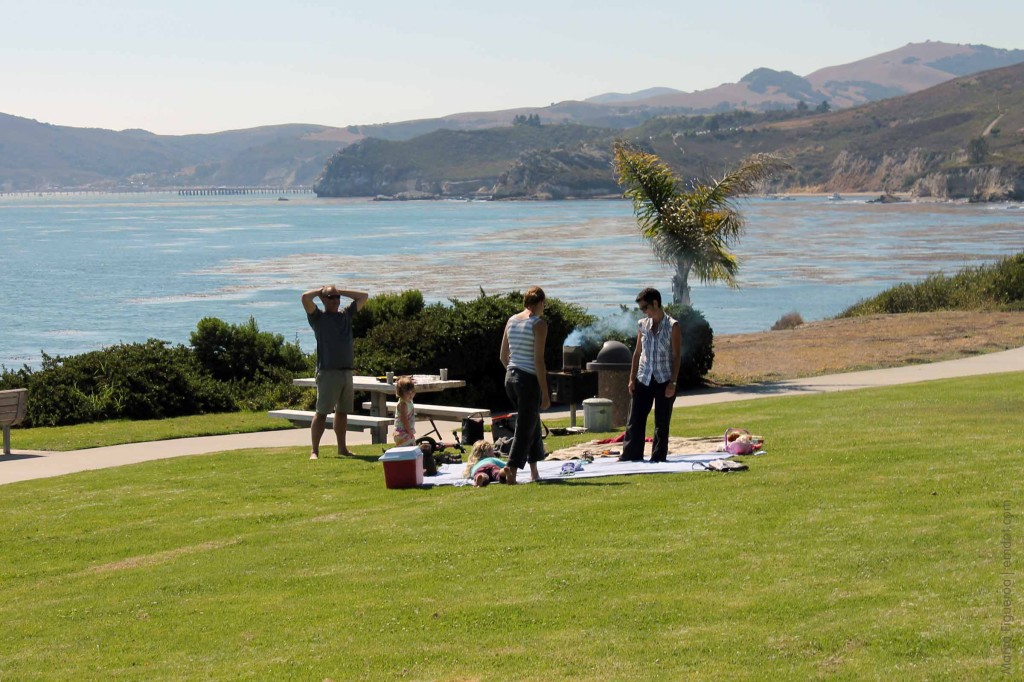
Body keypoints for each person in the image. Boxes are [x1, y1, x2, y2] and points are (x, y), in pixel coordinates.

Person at [301, 284, 368, 460]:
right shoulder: (318, 318)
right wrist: (322, 291)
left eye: (337, 297)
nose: (336, 300)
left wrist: (340, 291)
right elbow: (305, 298)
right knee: (322, 412)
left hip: (346, 370)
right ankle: (314, 450)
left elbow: (364, 296)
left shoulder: (346, 314)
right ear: (323, 300)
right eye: (331, 297)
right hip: (328, 371)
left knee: (343, 412)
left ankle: (342, 448)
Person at [620, 287, 682, 463]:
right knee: (635, 420)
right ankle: (631, 456)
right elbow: (637, 353)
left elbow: (677, 356)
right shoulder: (643, 325)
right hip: (644, 377)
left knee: (661, 422)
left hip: (664, 379)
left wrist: (673, 383)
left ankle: (658, 457)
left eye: (645, 307)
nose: (644, 311)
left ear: (655, 303)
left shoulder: (673, 326)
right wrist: (632, 378)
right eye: (641, 309)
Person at [499, 286, 550, 484]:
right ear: (538, 303)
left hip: (510, 377)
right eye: (543, 303)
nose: (544, 307)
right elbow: (539, 361)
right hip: (528, 380)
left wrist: (513, 371)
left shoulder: (512, 320)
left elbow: (503, 356)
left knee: (532, 424)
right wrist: (545, 393)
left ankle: (534, 470)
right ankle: (511, 468)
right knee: (524, 427)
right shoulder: (539, 324)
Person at [393, 375, 437, 476]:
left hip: (407, 431)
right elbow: (404, 420)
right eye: (407, 393)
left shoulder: (408, 401)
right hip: (402, 432)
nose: (410, 395)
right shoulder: (402, 404)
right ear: (400, 393)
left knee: (411, 450)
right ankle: (410, 470)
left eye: (412, 392)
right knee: (408, 452)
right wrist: (409, 431)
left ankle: (414, 469)